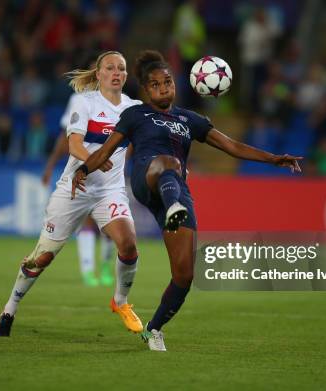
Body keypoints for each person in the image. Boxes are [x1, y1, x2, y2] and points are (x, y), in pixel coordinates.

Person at [72, 50, 302, 351]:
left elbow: (231, 146)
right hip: (147, 177)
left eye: (167, 81)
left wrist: (274, 159)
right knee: (169, 163)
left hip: (177, 192)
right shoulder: (135, 115)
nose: (163, 87)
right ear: (146, 90)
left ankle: (153, 329)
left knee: (184, 275)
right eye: (155, 84)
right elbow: (107, 149)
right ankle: (173, 207)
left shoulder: (189, 119)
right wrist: (84, 168)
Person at [0, 51, 143, 336]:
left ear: (126, 76)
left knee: (128, 243)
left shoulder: (133, 108)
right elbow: (74, 145)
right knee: (42, 259)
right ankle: (9, 308)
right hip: (75, 188)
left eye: (121, 69)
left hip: (109, 191)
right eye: (110, 67)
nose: (116, 72)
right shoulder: (83, 102)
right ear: (98, 74)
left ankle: (120, 302)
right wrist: (91, 164)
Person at [42, 92, 115, 287]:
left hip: (110, 170)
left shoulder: (119, 101)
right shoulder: (79, 100)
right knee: (87, 221)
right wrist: (50, 165)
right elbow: (66, 138)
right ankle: (88, 269)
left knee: (110, 225)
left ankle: (106, 266)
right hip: (84, 168)